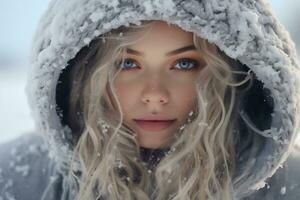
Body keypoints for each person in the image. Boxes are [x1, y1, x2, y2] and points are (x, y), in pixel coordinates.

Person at [1, 0, 300, 200]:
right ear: (82, 75)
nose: (155, 94)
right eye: (127, 64)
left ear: (231, 73)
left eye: (184, 64)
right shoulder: (15, 180)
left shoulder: (291, 184)